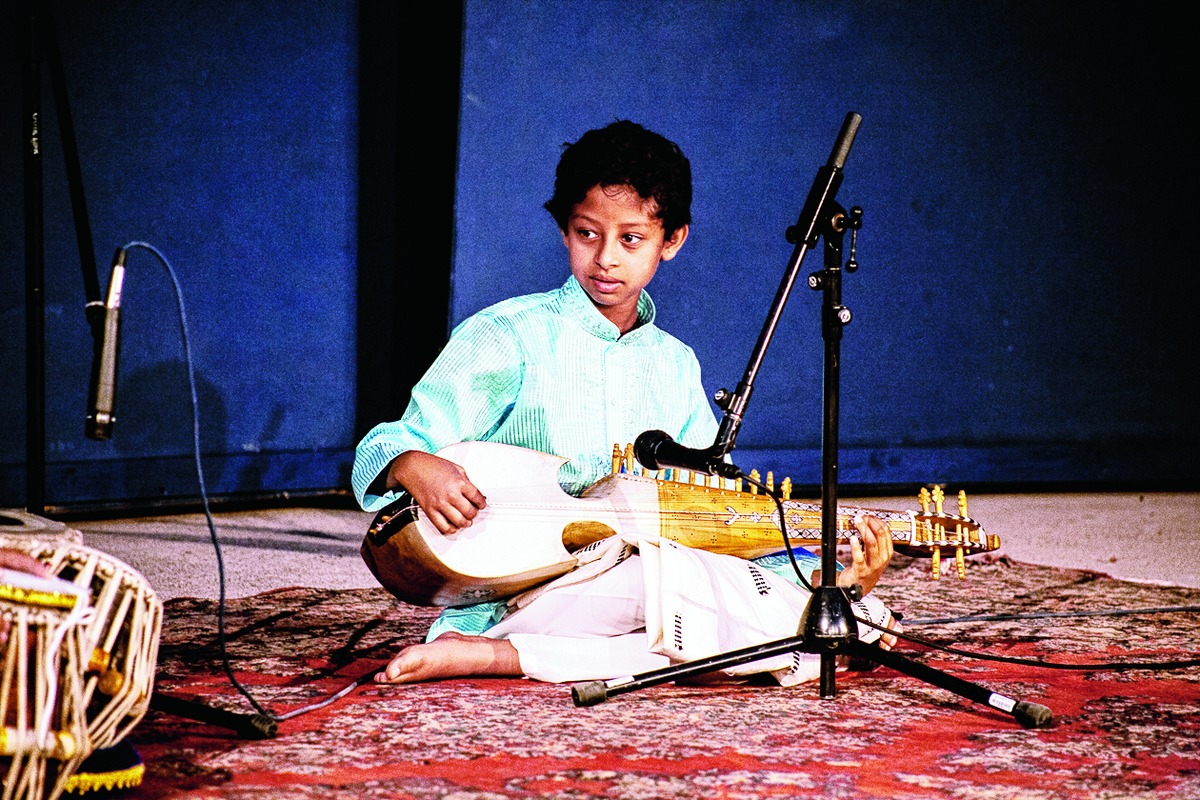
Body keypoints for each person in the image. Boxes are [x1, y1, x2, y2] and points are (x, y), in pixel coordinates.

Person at [352, 120, 899, 686]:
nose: (606, 258)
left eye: (631, 239)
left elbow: (717, 512)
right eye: (587, 234)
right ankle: (494, 644)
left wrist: (834, 579)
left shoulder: (675, 363)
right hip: (525, 592)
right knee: (686, 596)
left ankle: (504, 658)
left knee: (840, 613)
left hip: (647, 579)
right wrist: (414, 466)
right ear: (564, 230)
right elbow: (386, 444)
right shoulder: (509, 334)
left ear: (672, 240)